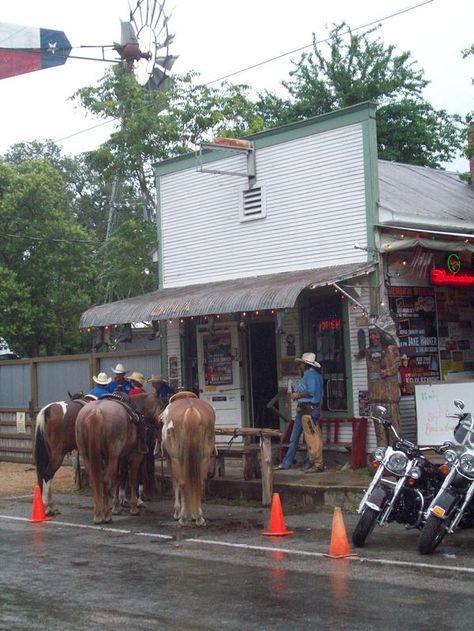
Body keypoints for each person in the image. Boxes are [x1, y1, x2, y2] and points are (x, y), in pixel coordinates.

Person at [275, 352, 324, 473]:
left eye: (301, 364)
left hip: (309, 409)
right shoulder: (312, 375)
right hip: (306, 408)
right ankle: (290, 462)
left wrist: (297, 394)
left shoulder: (310, 375)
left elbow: (311, 392)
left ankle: (307, 462)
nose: (299, 366)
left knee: (308, 438)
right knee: (298, 437)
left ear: (305, 364)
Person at [355, 324, 401, 447]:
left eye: (375, 334)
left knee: (393, 428)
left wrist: (387, 372)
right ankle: (382, 454)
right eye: (370, 335)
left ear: (381, 336)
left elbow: (396, 364)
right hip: (375, 395)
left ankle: (395, 453)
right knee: (379, 429)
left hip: (390, 396)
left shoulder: (391, 349)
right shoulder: (369, 352)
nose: (372, 337)